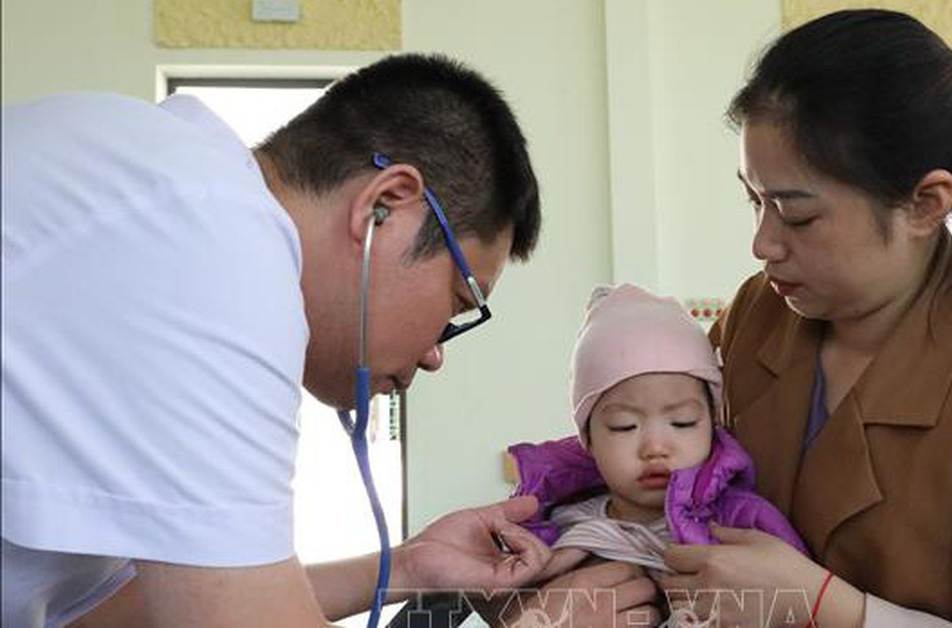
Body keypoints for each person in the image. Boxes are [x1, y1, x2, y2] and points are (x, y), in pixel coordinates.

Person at [2, 54, 552, 627]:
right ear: (385, 205)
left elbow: (95, 616)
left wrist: (409, 568)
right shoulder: (217, 243)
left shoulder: (156, 181)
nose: (437, 353)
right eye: (459, 301)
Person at [655, 9, 952, 628]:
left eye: (795, 215)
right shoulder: (758, 317)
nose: (763, 243)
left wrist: (832, 610)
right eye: (754, 200)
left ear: (925, 204)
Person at [480, 284, 805, 626]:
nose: (655, 448)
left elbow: (798, 609)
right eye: (624, 426)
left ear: (713, 426)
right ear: (587, 440)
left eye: (682, 422)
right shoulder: (550, 532)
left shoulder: (743, 522)